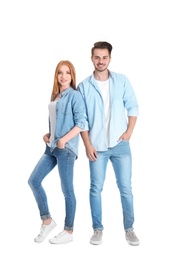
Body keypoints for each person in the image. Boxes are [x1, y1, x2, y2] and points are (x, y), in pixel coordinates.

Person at [77, 41, 140, 246]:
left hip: (120, 145)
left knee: (126, 188)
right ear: (92, 58)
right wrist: (87, 144)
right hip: (96, 147)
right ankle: (97, 229)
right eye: (97, 57)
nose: (101, 61)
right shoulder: (84, 86)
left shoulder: (122, 81)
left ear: (110, 58)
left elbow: (133, 106)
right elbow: (82, 119)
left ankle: (129, 229)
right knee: (95, 188)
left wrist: (129, 132)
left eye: (105, 57)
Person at [28, 60, 86, 244]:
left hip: (65, 149)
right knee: (34, 180)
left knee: (67, 191)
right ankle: (47, 220)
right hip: (51, 147)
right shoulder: (56, 96)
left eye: (67, 72)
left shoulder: (74, 96)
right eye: (60, 72)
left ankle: (68, 231)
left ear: (72, 75)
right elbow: (56, 122)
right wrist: (49, 135)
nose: (63, 76)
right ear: (56, 75)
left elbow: (82, 124)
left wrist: (63, 140)